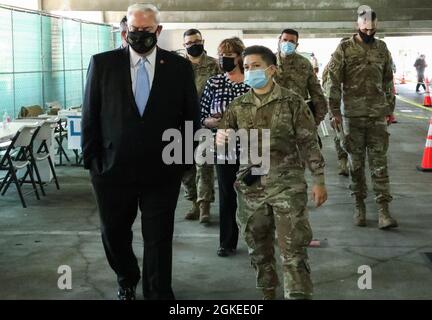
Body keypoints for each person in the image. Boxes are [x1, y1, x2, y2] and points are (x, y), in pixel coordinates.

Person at [81, 3, 199, 300]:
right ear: (125, 31)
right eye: (133, 30)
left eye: (146, 30)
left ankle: (158, 292)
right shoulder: (103, 63)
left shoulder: (179, 67)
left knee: (158, 237)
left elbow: (190, 117)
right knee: (114, 233)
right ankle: (127, 276)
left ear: (158, 30)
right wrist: (93, 161)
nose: (138, 35)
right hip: (112, 169)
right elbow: (90, 115)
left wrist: (184, 160)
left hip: (162, 170)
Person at [216, 45, 327, 300]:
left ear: (271, 69)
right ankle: (268, 293)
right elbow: (224, 137)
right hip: (251, 189)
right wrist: (220, 138)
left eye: (255, 66)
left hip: (287, 185)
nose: (250, 71)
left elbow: (309, 142)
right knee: (258, 249)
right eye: (246, 67)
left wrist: (318, 180)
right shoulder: (238, 105)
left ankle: (297, 295)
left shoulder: (292, 101)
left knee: (294, 250)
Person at [326, 8, 398, 229]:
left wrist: (389, 108)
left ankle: (384, 211)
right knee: (355, 165)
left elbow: (388, 80)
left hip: (377, 115)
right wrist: (334, 112)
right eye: (365, 25)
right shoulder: (345, 48)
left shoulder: (382, 48)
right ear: (357, 24)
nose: (369, 28)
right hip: (352, 116)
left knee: (380, 164)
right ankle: (359, 206)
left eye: (373, 25)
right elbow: (333, 80)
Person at [200, 37, 250, 257]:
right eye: (221, 56)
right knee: (227, 195)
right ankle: (227, 242)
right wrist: (212, 122)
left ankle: (257, 240)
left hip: (252, 145)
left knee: (254, 193)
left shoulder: (252, 82)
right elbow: (202, 116)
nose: (223, 60)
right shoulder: (214, 83)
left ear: (239, 57)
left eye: (228, 56)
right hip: (224, 147)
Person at [181, 28, 220, 223]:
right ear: (184, 46)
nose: (194, 45)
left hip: (206, 122)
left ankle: (205, 206)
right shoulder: (178, 66)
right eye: (190, 43)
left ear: (202, 41)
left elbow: (222, 89)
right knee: (185, 166)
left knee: (204, 164)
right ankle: (194, 204)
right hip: (182, 123)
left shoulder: (214, 65)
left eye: (197, 41)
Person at [274, 29, 327, 126]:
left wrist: (317, 118)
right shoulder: (269, 62)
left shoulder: (304, 63)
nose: (287, 43)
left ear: (296, 45)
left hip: (300, 117)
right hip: (274, 117)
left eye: (291, 42)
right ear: (279, 40)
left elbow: (315, 90)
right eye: (285, 40)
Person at [322, 38, 350, 177]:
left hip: (351, 106)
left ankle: (346, 161)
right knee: (340, 134)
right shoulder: (332, 64)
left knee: (344, 135)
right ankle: (343, 162)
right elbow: (325, 84)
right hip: (336, 105)